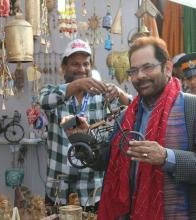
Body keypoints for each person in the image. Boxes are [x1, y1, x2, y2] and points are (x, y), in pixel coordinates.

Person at [97, 37, 196, 219]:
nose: (140, 76)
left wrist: (167, 157)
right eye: (133, 71)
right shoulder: (127, 116)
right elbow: (108, 162)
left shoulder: (191, 108)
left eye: (147, 67)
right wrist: (82, 142)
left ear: (166, 68)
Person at [39, 38, 131, 211]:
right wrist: (77, 84)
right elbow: (43, 101)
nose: (81, 69)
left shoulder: (102, 96)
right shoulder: (54, 92)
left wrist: (119, 92)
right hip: (59, 189)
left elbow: (134, 109)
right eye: (75, 64)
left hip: (93, 190)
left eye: (86, 64)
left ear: (91, 66)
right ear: (64, 67)